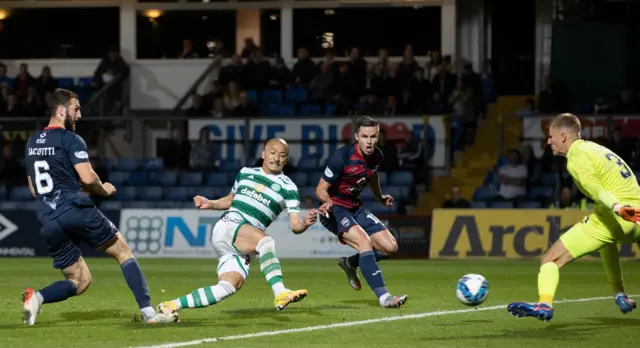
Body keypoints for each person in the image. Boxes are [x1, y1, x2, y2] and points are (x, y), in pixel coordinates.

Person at [22, 88, 174, 325]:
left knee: (80, 281)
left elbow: (34, 190)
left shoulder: (32, 143)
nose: (80, 114)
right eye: (76, 108)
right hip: (75, 209)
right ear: (61, 110)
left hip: (48, 218)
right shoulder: (70, 139)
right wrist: (104, 190)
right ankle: (149, 313)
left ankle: (37, 298)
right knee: (123, 252)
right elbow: (88, 177)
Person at [154, 138, 317, 321]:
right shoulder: (245, 173)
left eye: (282, 155)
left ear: (286, 160)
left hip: (241, 243)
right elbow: (231, 200)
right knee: (266, 242)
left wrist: (306, 223)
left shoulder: (289, 188)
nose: (276, 158)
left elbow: (295, 226)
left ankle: (171, 305)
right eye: (272, 153)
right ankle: (280, 292)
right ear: (263, 154)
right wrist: (211, 203)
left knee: (228, 287)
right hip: (231, 225)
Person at [507, 113, 640, 322]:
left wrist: (618, 207)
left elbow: (596, 189)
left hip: (620, 213)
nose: (548, 141)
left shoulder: (577, 158)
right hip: (637, 215)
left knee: (550, 259)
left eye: (550, 136)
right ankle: (619, 295)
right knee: (606, 242)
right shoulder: (595, 149)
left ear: (562, 136)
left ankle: (545, 303)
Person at [315, 116, 407, 308]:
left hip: (355, 207)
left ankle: (350, 263)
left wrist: (380, 197)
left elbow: (372, 177)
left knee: (390, 248)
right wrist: (328, 202)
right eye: (365, 136)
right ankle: (384, 297)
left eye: (373, 136)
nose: (370, 141)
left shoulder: (377, 156)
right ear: (356, 136)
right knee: (364, 242)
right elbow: (320, 189)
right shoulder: (342, 157)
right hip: (335, 209)